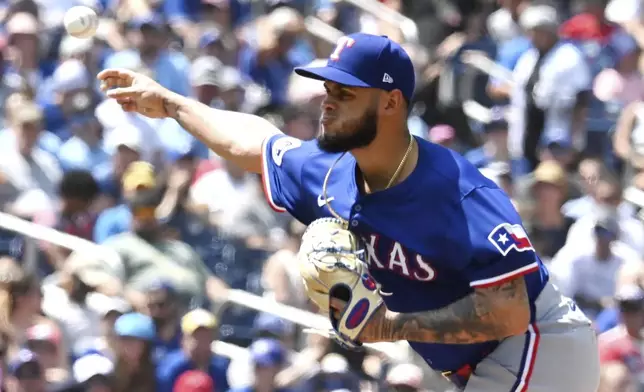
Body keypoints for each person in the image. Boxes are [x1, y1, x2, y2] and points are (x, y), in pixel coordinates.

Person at [97, 32, 600, 391]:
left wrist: (391, 326)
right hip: (478, 366)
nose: (326, 102)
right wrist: (171, 103)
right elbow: (255, 142)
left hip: (539, 345)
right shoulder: (329, 169)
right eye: (326, 89)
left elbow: (509, 311)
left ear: (390, 103)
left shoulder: (456, 191)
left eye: (344, 93)